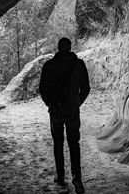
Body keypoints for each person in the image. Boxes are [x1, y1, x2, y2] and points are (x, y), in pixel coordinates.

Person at [39, 37, 90, 194]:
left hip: (56, 111)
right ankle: (77, 178)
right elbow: (86, 88)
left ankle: (60, 176)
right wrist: (76, 103)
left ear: (59, 47)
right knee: (74, 144)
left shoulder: (49, 65)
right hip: (72, 111)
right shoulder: (79, 65)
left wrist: (50, 104)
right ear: (70, 47)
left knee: (58, 144)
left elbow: (42, 89)